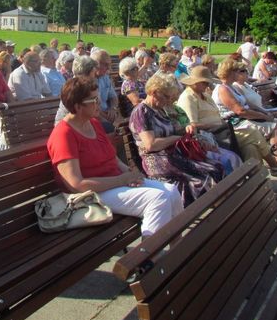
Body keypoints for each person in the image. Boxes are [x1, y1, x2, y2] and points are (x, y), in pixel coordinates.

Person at [47, 76, 183, 237]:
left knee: (172, 191)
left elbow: (112, 158)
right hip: (91, 194)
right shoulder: (63, 135)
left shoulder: (93, 123)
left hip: (114, 184)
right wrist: (122, 180)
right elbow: (76, 185)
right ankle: (149, 251)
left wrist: (131, 173)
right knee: (158, 199)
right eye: (94, 100)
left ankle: (177, 246)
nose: (99, 103)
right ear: (77, 106)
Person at [129, 72, 225, 206]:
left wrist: (186, 129)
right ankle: (204, 211)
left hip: (174, 155)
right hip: (157, 160)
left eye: (170, 97)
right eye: (166, 96)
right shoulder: (141, 112)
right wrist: (177, 138)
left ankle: (219, 208)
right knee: (204, 178)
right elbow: (151, 145)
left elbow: (175, 131)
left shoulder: (160, 109)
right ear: (154, 92)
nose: (169, 101)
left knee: (217, 168)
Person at [93, 50, 119, 130]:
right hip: (94, 116)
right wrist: (106, 118)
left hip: (106, 114)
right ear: (96, 64)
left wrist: (113, 108)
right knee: (111, 129)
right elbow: (91, 107)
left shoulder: (105, 77)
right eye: (106, 64)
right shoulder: (87, 80)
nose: (108, 68)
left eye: (109, 64)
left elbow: (113, 97)